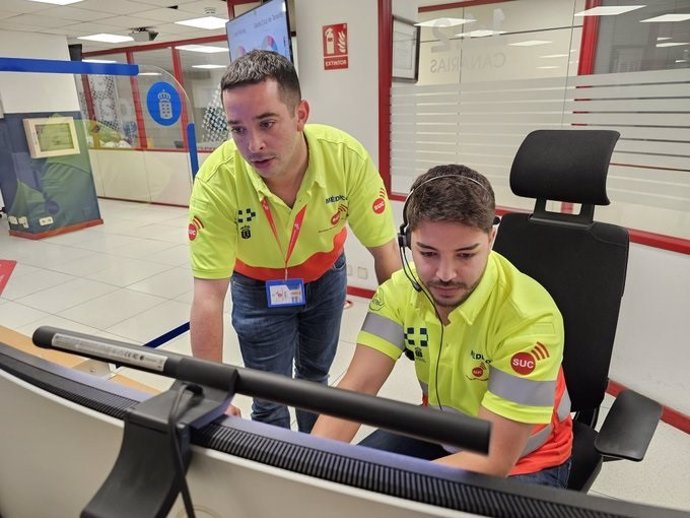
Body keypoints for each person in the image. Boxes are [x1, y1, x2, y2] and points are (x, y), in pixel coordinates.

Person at [311, 164, 573, 488]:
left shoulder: (529, 318)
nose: (445, 274)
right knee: (341, 488)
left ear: (491, 237)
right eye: (428, 253)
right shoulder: (398, 292)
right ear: (407, 241)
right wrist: (311, 465)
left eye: (465, 255)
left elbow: (494, 459)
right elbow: (357, 388)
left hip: (525, 460)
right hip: (439, 432)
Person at [187, 50, 401, 432]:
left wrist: (416, 331)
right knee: (269, 395)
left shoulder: (345, 158)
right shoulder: (216, 181)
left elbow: (386, 256)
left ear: (300, 114)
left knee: (315, 381)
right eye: (238, 129)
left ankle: (314, 459)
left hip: (325, 278)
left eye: (267, 123)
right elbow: (208, 296)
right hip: (256, 287)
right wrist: (209, 392)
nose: (254, 145)